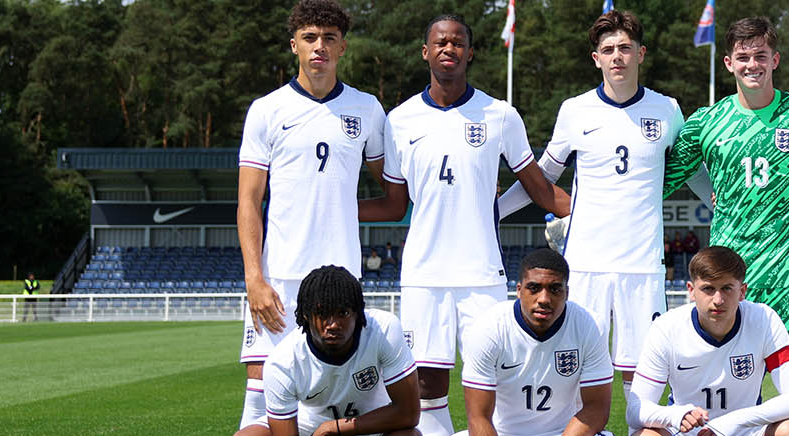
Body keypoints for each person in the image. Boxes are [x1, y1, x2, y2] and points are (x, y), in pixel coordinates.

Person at [353, 14, 573, 436]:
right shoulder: (399, 120)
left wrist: (587, 213)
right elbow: (396, 202)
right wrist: (334, 205)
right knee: (425, 383)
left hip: (481, 273)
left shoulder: (501, 115)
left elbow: (539, 189)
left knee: (495, 373)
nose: (448, 49)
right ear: (425, 52)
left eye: (457, 43)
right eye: (439, 42)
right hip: (424, 273)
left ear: (470, 52)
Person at [660, 16, 789, 432]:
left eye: (761, 55)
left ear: (775, 59)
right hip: (728, 278)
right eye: (743, 57)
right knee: (718, 381)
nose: (752, 64)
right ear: (728, 63)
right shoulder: (706, 123)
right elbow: (657, 182)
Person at [494, 9, 684, 408]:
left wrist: (725, 197)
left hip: (642, 264)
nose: (617, 56)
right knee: (573, 365)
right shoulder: (575, 110)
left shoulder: (667, 109)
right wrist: (495, 210)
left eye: (625, 48)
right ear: (596, 58)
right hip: (585, 264)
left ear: (641, 54)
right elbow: (542, 175)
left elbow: (692, 170)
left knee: (644, 374)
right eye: (608, 49)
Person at [235, 1, 389, 431]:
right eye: (309, 38)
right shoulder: (267, 110)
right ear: (294, 46)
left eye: (329, 38)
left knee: (341, 399)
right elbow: (249, 201)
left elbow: (395, 190)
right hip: (279, 280)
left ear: (342, 48)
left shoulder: (367, 109)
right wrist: (254, 278)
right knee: (259, 401)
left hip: (342, 280)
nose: (319, 46)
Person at [627, 246, 789, 436]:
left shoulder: (764, 320)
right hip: (686, 432)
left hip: (744, 431)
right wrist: (676, 415)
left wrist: (732, 421)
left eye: (727, 289)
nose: (718, 299)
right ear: (691, 291)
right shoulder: (666, 328)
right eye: (708, 288)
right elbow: (635, 410)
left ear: (742, 291)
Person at [249, 265, 420, 436]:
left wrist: (334, 428)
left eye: (343, 313)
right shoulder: (282, 362)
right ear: (307, 315)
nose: (333, 325)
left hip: (372, 423)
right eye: (322, 313)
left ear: (358, 313)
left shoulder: (384, 330)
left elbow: (408, 413)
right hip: (308, 426)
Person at [460, 248, 613, 436]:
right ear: (518, 290)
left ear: (567, 292)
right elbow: (478, 417)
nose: (544, 299)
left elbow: (596, 408)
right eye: (534, 288)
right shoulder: (489, 328)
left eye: (555, 289)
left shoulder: (590, 325)